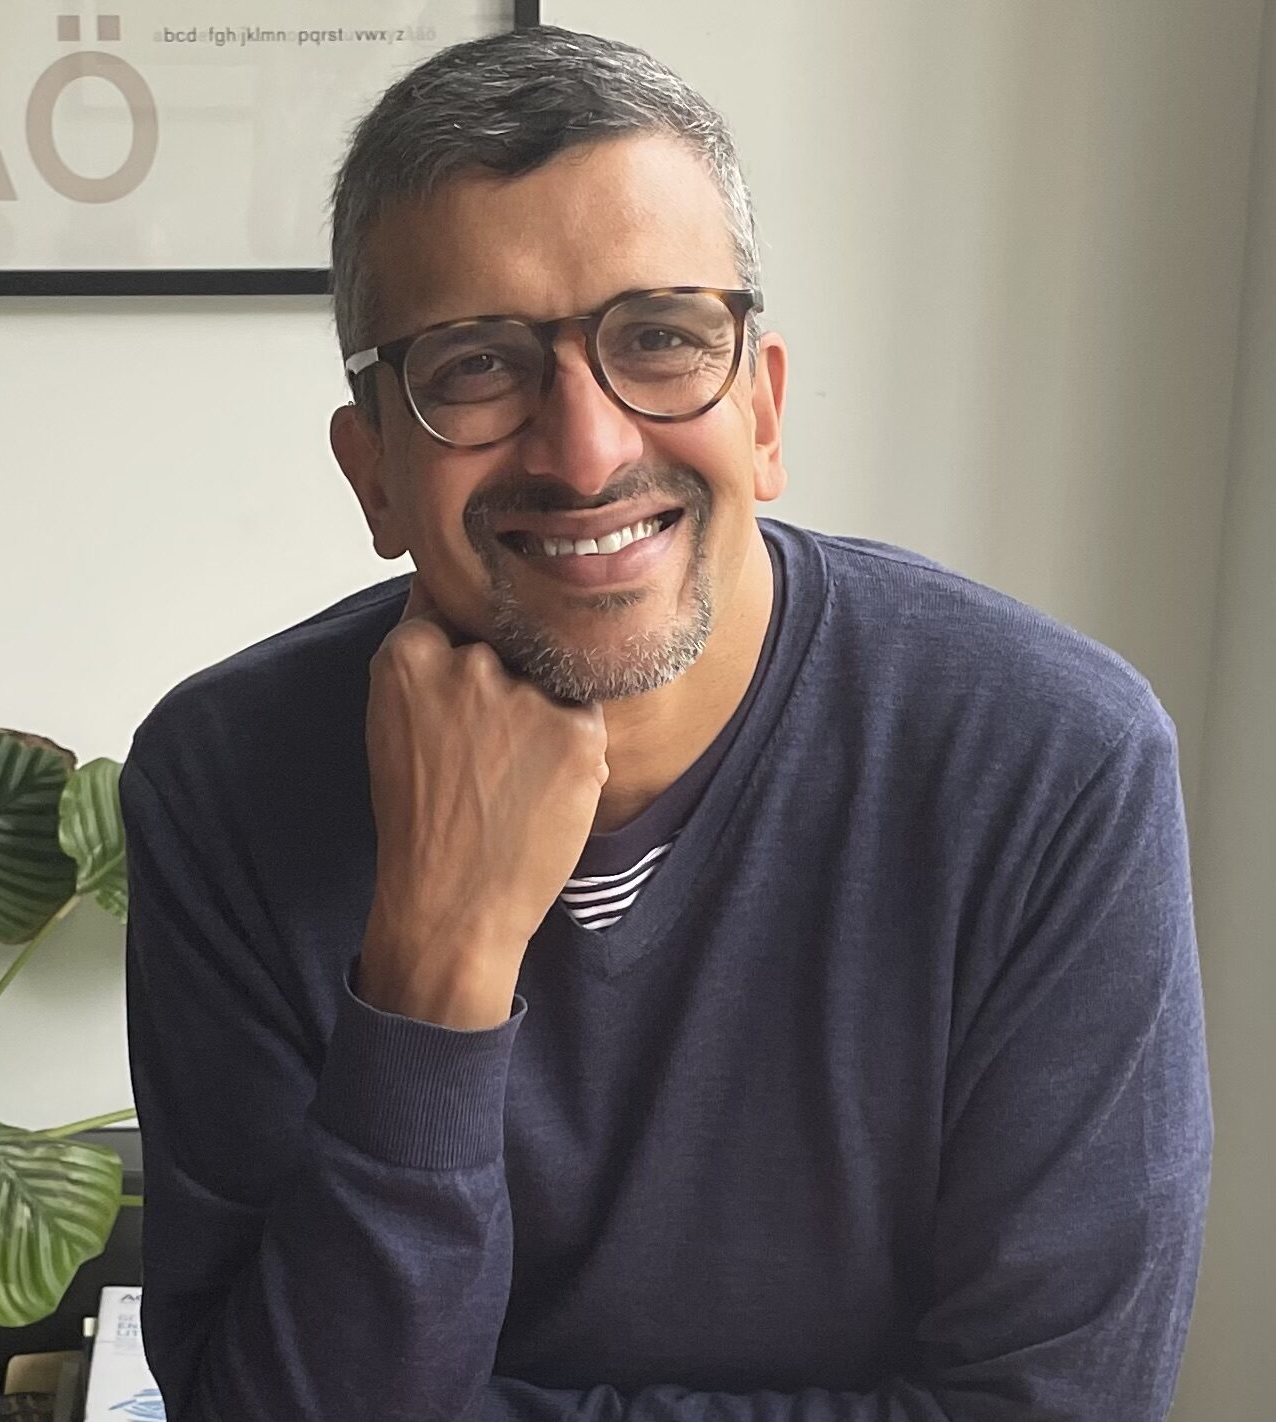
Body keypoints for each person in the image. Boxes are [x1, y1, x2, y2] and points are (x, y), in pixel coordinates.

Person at [120, 24, 1213, 1422]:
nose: (586, 449)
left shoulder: (1051, 765)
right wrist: (434, 969)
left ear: (762, 408)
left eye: (659, 338)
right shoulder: (223, 782)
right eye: (476, 365)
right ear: (373, 471)